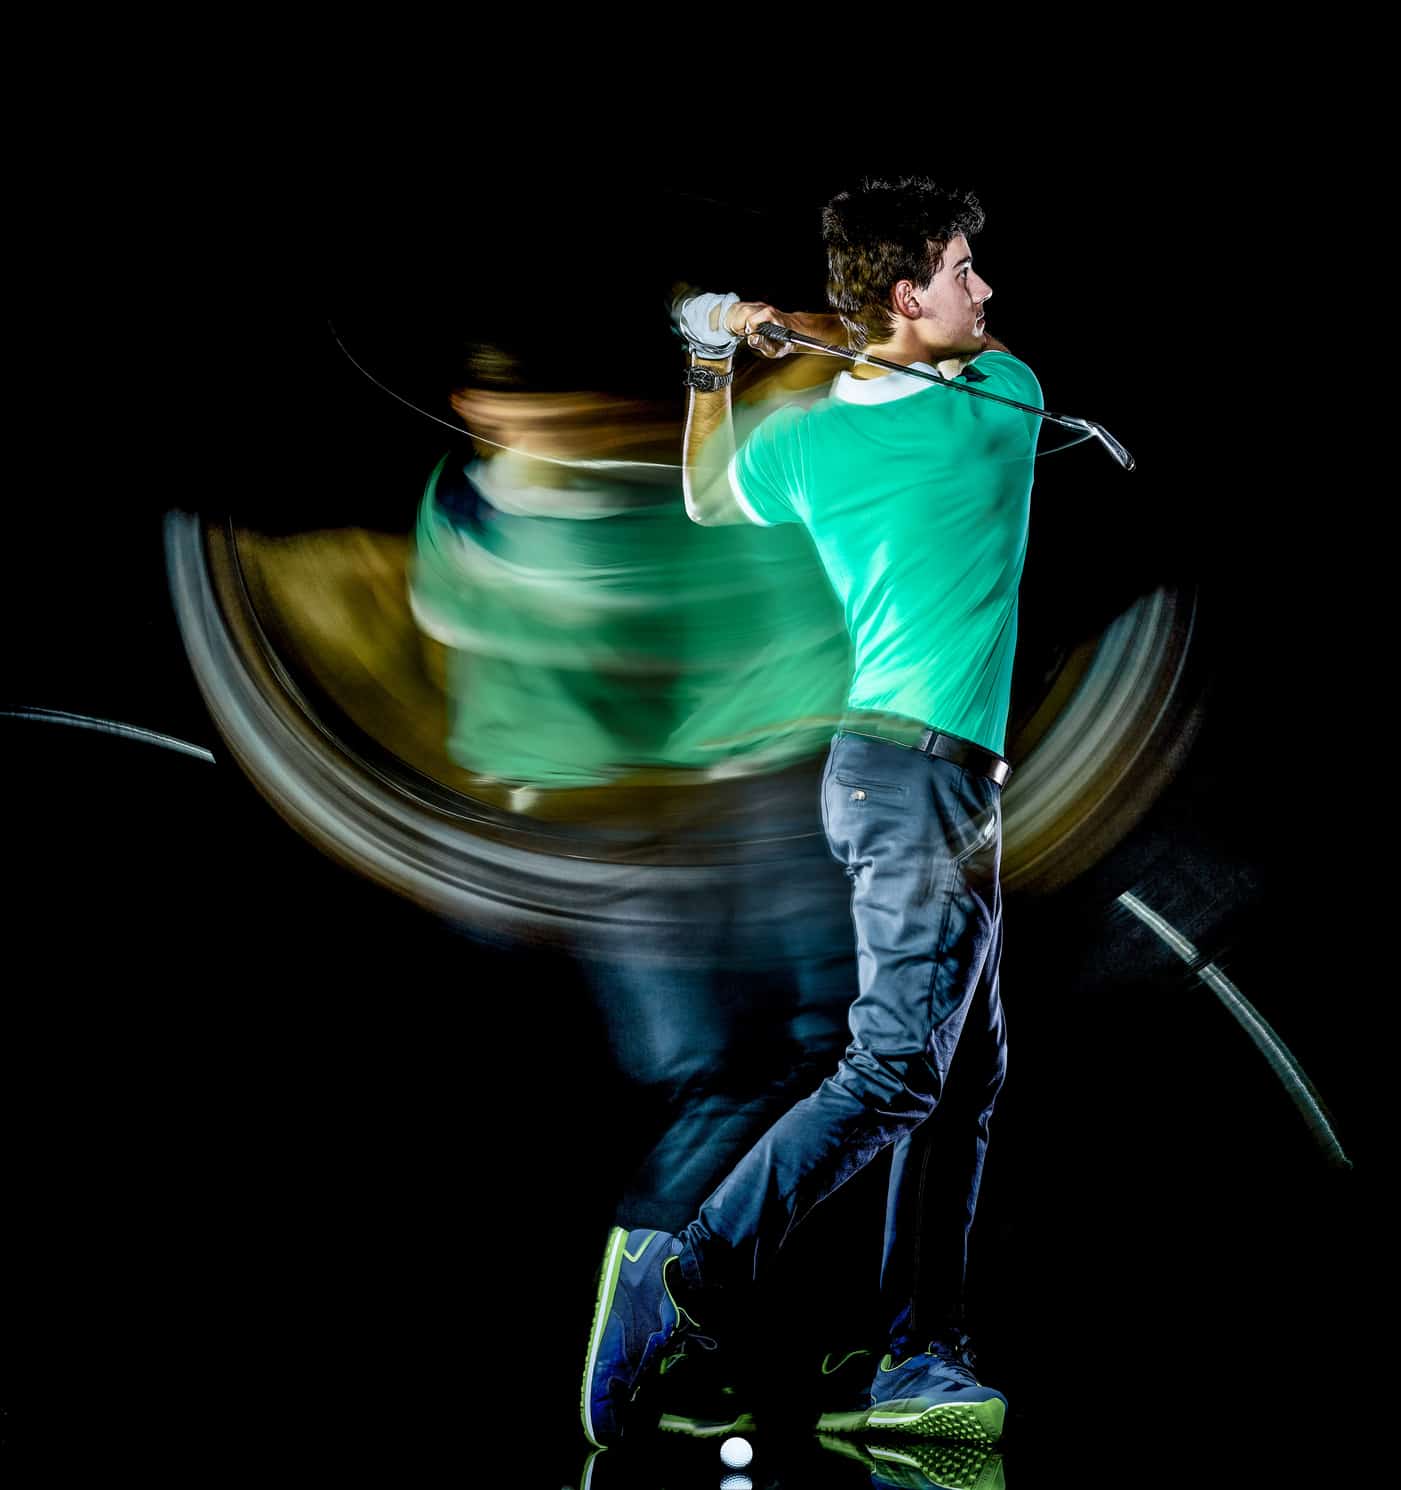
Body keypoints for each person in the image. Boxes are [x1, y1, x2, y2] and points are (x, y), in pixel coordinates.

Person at [581, 176, 1038, 1448]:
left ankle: (916, 1358)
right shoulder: (997, 399)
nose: (982, 289)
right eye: (959, 268)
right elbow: (958, 359)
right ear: (908, 294)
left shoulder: (805, 436)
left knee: (960, 1074)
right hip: (913, 782)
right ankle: (686, 1273)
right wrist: (783, 329)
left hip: (903, 778)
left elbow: (708, 494)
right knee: (899, 1064)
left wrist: (713, 355)